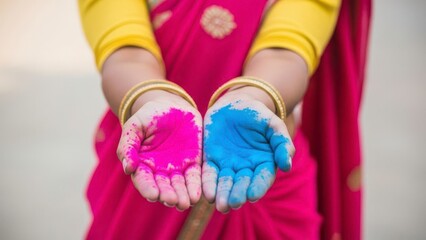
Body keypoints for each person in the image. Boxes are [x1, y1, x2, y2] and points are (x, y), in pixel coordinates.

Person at [79, 0, 371, 239]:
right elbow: (125, 53)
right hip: (153, 152)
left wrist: (255, 98)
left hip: (257, 157)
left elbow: (286, 51)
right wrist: (151, 97)